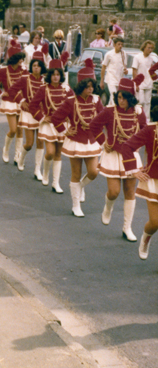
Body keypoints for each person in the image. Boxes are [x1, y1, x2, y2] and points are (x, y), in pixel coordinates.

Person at [91, 75, 147, 242]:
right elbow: (94, 125)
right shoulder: (109, 111)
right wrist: (103, 142)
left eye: (124, 97)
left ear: (131, 98)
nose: (120, 100)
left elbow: (145, 132)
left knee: (130, 192)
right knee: (114, 192)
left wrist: (138, 148)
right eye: (119, 97)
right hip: (113, 155)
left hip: (131, 156)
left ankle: (127, 227)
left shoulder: (138, 112)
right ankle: (107, 207)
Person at [51, 59, 103, 217]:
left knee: (93, 172)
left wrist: (104, 141)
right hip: (76, 141)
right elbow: (55, 118)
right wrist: (65, 131)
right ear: (81, 86)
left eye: (92, 86)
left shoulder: (96, 100)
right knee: (75, 172)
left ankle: (80, 186)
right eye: (87, 86)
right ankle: (76, 205)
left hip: (91, 141)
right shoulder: (71, 101)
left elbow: (102, 119)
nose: (91, 89)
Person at [28, 53, 71, 192]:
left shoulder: (67, 89)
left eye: (58, 74)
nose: (55, 77)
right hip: (49, 125)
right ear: (49, 75)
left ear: (61, 76)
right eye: (53, 74)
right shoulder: (43, 89)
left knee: (58, 154)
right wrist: (41, 117)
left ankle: (56, 183)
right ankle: (45, 172)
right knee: (50, 153)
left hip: (62, 125)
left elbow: (74, 106)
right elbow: (32, 106)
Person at [121, 105, 158, 260]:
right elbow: (127, 146)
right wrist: (134, 170)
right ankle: (146, 238)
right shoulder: (150, 130)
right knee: (155, 222)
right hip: (154, 180)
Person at [0, 40, 28, 164]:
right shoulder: (4, 71)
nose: (21, 61)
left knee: (20, 130)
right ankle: (6, 149)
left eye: (22, 58)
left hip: (21, 102)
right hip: (10, 101)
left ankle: (17, 155)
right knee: (13, 130)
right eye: (19, 58)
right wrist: (0, 93)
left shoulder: (24, 70)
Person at [7, 51, 46, 175]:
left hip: (41, 114)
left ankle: (37, 170)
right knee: (29, 144)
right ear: (31, 67)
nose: (36, 68)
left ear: (42, 67)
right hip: (29, 113)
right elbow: (12, 90)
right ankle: (21, 159)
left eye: (38, 66)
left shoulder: (46, 81)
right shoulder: (25, 79)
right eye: (34, 66)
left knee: (40, 142)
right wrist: (21, 100)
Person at [132, 40, 156, 120]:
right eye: (149, 48)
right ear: (144, 47)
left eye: (152, 48)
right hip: (140, 84)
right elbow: (134, 71)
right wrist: (136, 84)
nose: (150, 50)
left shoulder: (151, 59)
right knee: (140, 101)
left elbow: (151, 70)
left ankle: (147, 120)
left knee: (147, 103)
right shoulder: (137, 57)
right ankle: (137, 118)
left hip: (149, 84)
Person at [100, 37, 128, 106]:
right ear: (114, 45)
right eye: (119, 44)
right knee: (114, 94)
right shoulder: (109, 54)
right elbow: (103, 67)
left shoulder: (124, 53)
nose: (120, 46)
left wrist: (126, 71)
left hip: (119, 78)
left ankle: (108, 110)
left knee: (113, 97)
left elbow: (125, 67)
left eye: (122, 44)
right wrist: (101, 81)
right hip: (111, 78)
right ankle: (115, 112)